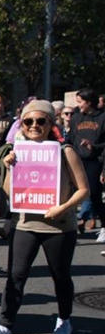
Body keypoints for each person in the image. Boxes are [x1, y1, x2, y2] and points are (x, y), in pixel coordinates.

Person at [0, 100, 89, 334]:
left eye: (41, 121)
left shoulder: (65, 151)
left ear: (51, 123)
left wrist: (61, 208)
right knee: (15, 277)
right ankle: (4, 328)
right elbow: (11, 193)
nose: (34, 126)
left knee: (60, 276)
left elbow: (84, 190)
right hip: (25, 225)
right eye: (28, 121)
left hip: (59, 226)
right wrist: (10, 167)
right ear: (22, 124)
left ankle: (64, 319)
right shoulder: (18, 152)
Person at [66, 88, 105, 244]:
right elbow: (71, 139)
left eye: (80, 102)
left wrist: (93, 147)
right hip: (76, 160)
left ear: (89, 102)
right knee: (69, 194)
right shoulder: (76, 118)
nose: (78, 105)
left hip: (95, 161)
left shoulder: (102, 118)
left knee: (94, 195)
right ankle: (70, 228)